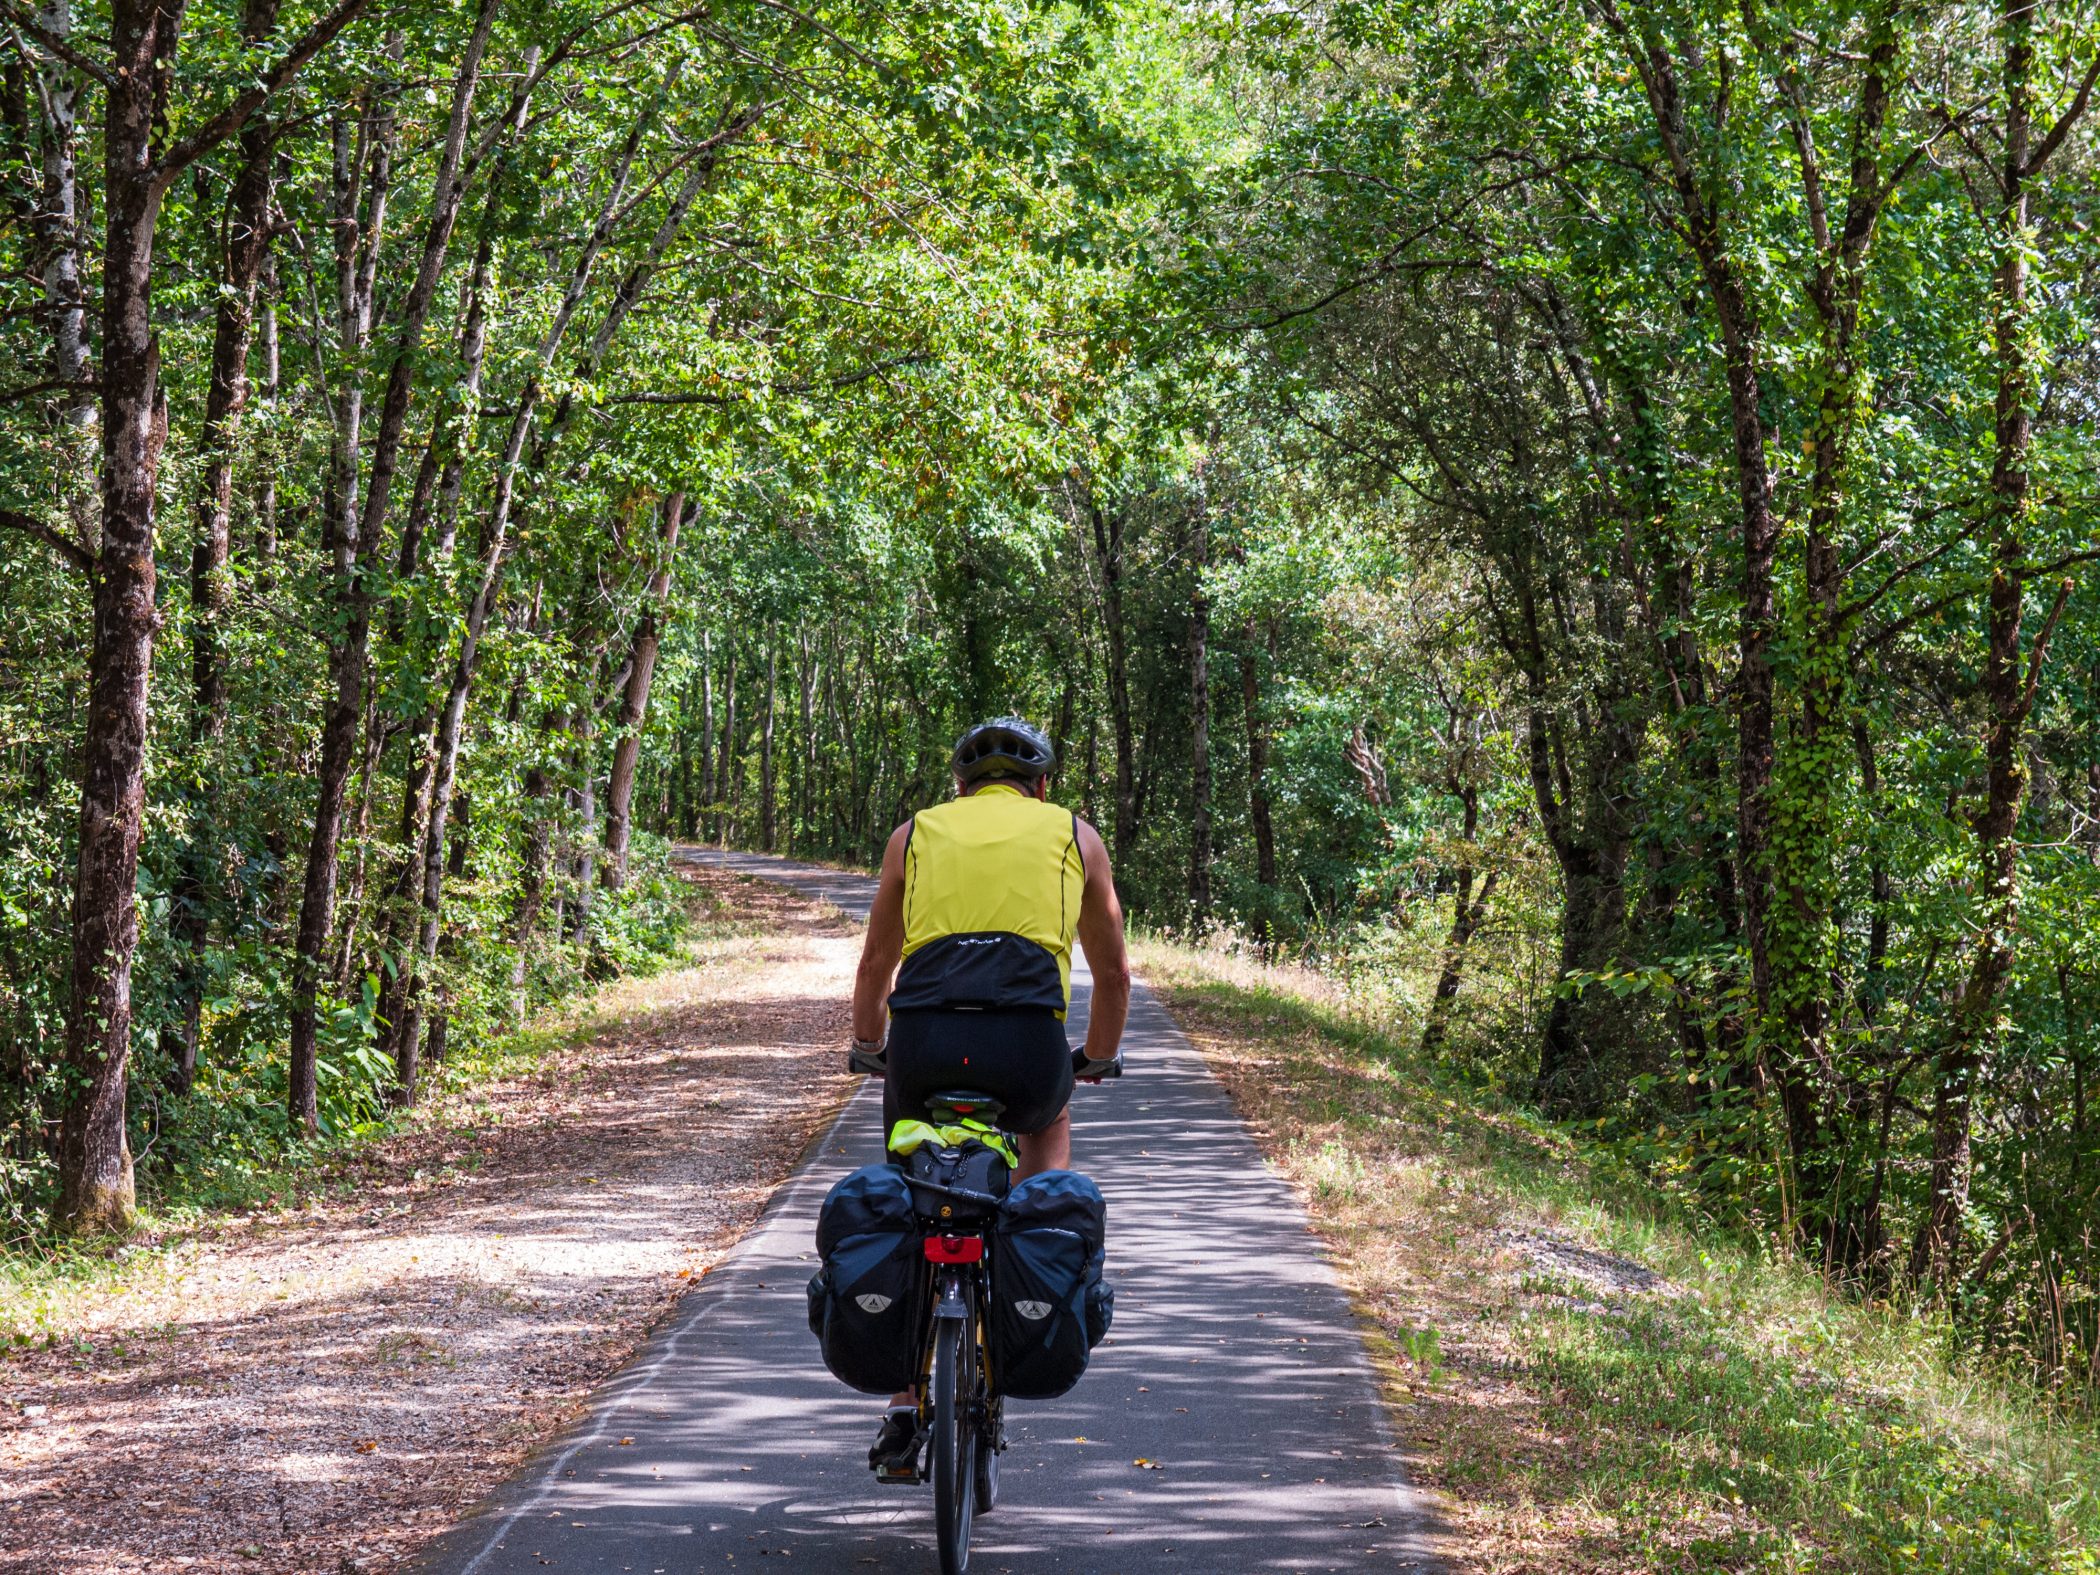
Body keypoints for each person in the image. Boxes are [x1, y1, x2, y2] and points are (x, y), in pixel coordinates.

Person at [846, 715, 1130, 1474]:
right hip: (1028, 1053)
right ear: (1042, 786)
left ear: (961, 787)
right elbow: (1113, 973)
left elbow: (875, 963)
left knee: (914, 1178)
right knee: (1048, 1118)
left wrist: (870, 1046)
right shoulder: (1076, 835)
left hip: (924, 1050)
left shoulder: (913, 835)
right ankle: (1021, 1276)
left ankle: (905, 1400)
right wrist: (1098, 1056)